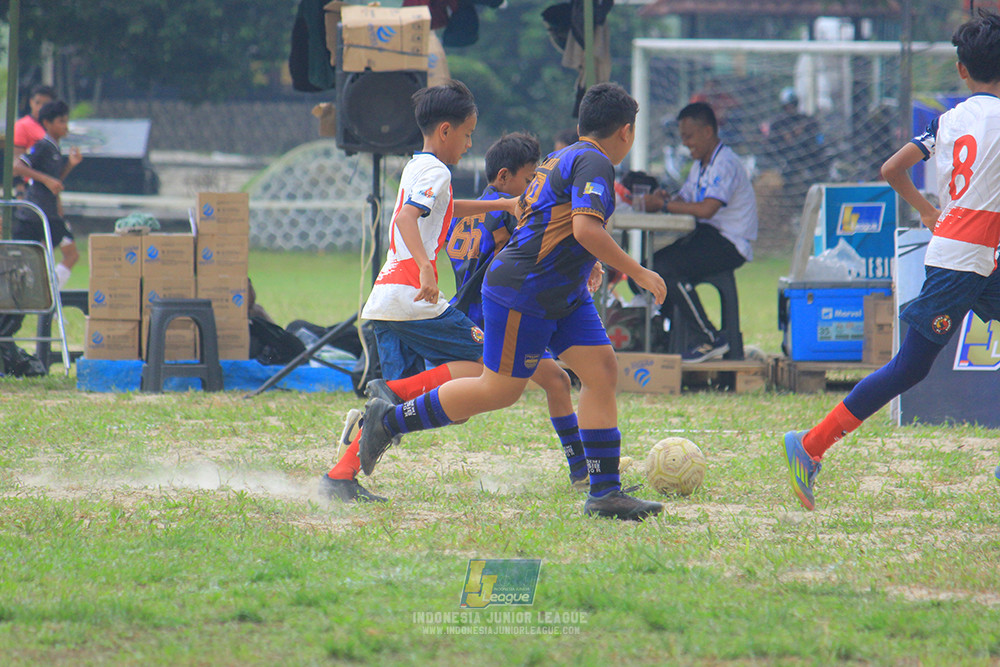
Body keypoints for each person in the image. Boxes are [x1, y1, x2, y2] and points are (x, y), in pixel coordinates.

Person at [356, 82, 668, 522]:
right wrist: (636, 271)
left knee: (600, 371)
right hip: (526, 291)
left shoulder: (562, 158)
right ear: (627, 132)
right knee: (498, 390)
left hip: (562, 292)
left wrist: (587, 265)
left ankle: (604, 490)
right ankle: (389, 422)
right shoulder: (595, 160)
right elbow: (583, 230)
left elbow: (547, 223)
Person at [782, 9, 1000, 511]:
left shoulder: (947, 121)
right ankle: (809, 446)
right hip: (964, 261)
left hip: (969, 252)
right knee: (909, 368)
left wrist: (927, 211)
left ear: (961, 70)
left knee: (910, 367)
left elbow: (891, 168)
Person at [318, 80, 518, 503]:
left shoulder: (417, 166)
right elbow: (410, 218)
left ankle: (340, 476)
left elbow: (445, 208)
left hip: (386, 302)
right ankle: (389, 394)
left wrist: (501, 204)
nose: (468, 144)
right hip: (412, 296)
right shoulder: (436, 170)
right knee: (486, 365)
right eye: (466, 134)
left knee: (394, 417)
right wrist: (428, 268)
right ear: (446, 130)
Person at [645, 102, 758, 362]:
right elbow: (685, 197)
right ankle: (670, 336)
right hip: (707, 237)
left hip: (729, 243)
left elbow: (707, 209)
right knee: (648, 268)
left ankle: (708, 338)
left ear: (708, 132)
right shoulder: (700, 164)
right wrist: (668, 198)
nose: (685, 144)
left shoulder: (725, 163)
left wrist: (663, 205)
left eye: (689, 136)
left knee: (665, 270)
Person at [12, 99, 82, 290]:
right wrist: (46, 180)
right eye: (61, 121)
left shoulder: (55, 149)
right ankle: (46, 296)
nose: (65, 126)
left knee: (60, 255)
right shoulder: (42, 146)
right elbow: (17, 167)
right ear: (47, 124)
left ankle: (48, 296)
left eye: (66, 121)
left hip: (49, 212)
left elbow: (55, 180)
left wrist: (70, 165)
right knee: (28, 260)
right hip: (36, 214)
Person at [13, 85, 56, 158]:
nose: (40, 108)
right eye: (37, 103)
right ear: (31, 102)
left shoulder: (54, 125)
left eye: (45, 105)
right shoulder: (22, 126)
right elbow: (17, 161)